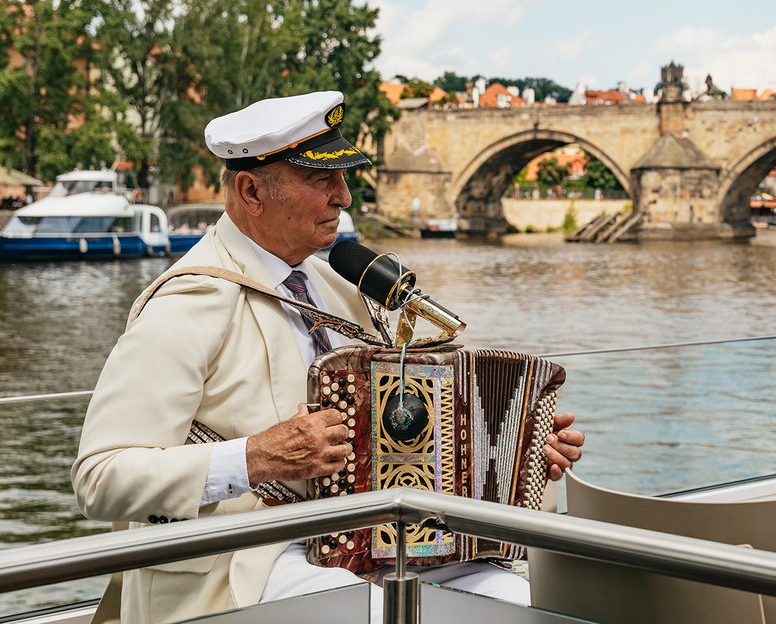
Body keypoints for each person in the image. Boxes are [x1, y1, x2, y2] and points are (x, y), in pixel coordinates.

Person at [72, 91, 584, 624]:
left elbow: (396, 438)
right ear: (251, 191)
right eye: (322, 180)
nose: (343, 196)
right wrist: (256, 458)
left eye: (343, 177)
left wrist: (512, 449)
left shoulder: (337, 287)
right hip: (244, 559)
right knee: (381, 613)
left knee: (531, 603)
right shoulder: (189, 303)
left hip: (365, 542)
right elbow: (99, 478)